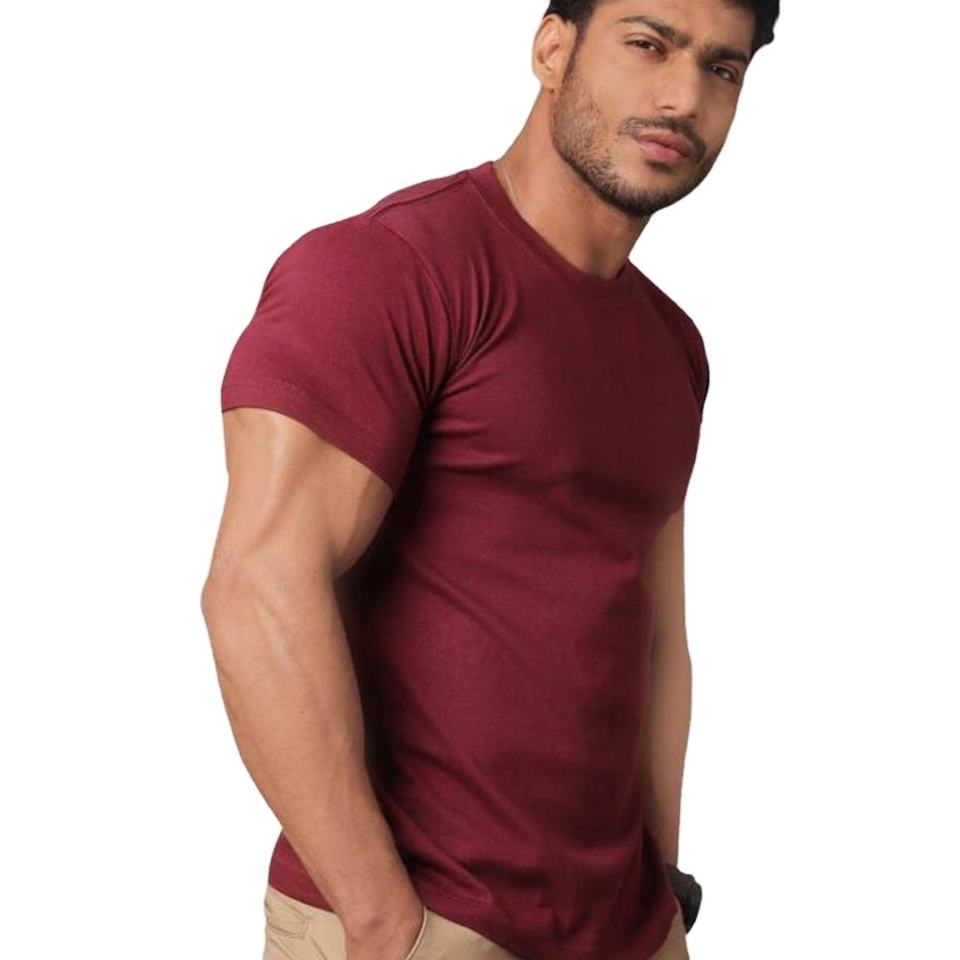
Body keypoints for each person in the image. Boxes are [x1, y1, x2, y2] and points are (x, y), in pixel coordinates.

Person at [201, 1, 779, 958]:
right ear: (552, 49)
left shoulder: (672, 344)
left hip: (626, 926)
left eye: (723, 69)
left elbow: (655, 633)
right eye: (648, 45)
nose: (684, 96)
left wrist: (661, 883)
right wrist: (382, 920)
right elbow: (256, 588)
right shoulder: (388, 269)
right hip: (430, 923)